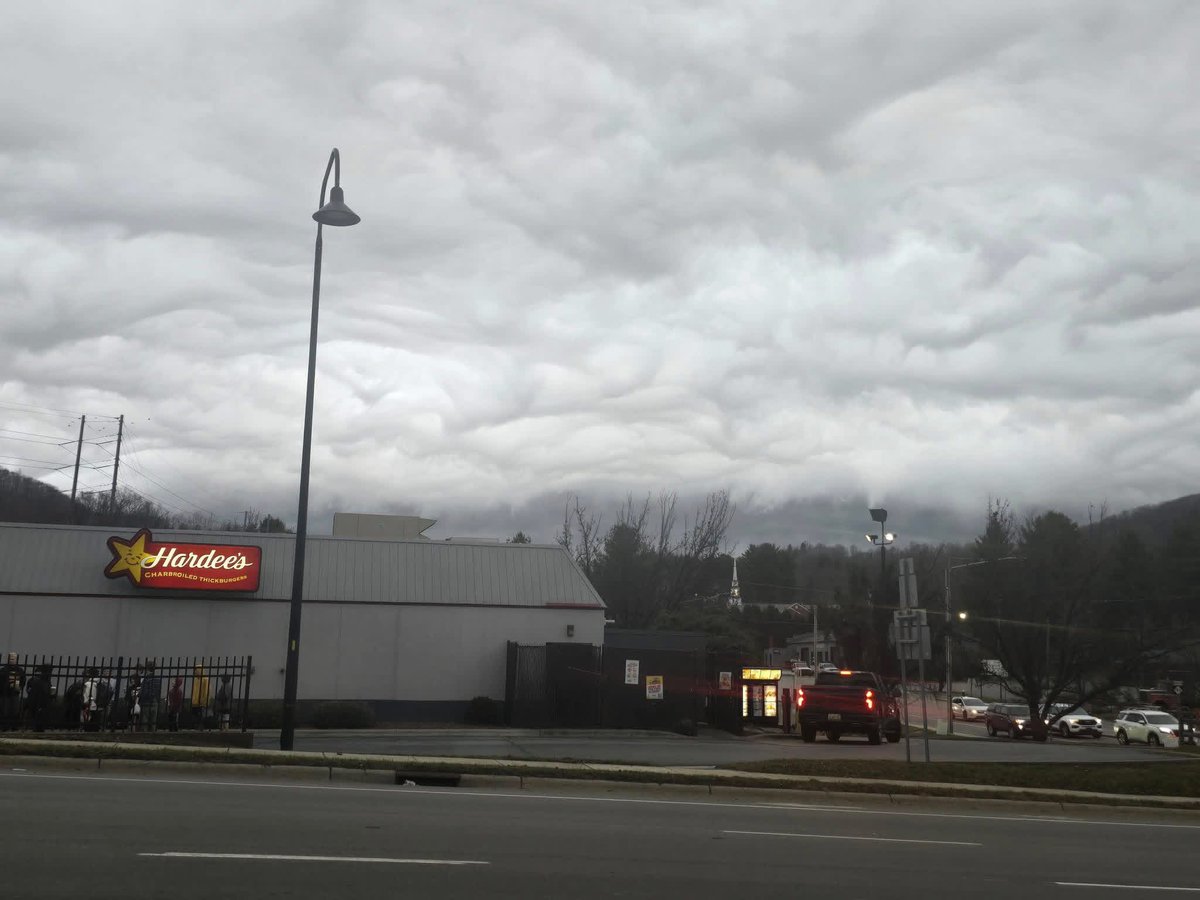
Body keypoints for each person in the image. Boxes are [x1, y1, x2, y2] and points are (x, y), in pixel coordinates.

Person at [23, 664, 53, 732]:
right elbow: (28, 690)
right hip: (35, 701)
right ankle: (36, 727)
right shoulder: (33, 681)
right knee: (35, 715)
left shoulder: (45, 681)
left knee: (40, 716)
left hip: (41, 701)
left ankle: (39, 727)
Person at [0, 653, 26, 731]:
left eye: (14, 659)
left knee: (15, 710)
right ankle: (5, 726)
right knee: (5, 710)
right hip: (5, 694)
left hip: (15, 692)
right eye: (11, 659)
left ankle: (14, 726)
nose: (12, 660)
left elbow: (23, 679)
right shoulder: (4, 669)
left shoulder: (19, 670)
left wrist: (20, 687)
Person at [139, 661, 161, 732]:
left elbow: (144, 691)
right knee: (153, 722)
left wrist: (140, 695)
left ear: (147, 669)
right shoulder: (158, 679)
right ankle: (153, 736)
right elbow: (158, 691)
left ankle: (145, 735)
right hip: (155, 702)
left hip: (146, 702)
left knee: (145, 721)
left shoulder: (146, 679)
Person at [190, 665, 210, 730]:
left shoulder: (205, 679)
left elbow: (206, 691)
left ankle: (201, 727)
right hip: (195, 702)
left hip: (201, 702)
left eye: (196, 670)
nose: (195, 671)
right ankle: (196, 726)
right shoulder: (196, 679)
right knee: (195, 715)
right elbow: (194, 690)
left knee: (201, 715)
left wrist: (204, 700)